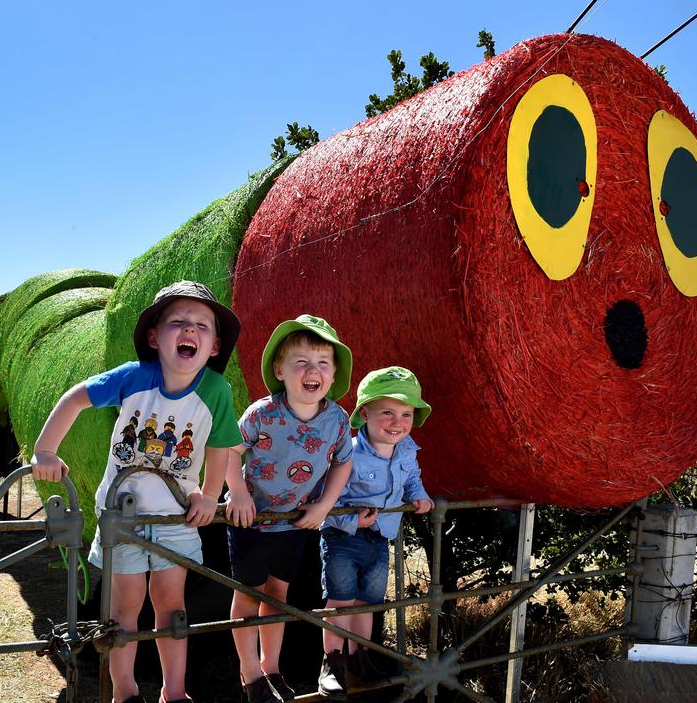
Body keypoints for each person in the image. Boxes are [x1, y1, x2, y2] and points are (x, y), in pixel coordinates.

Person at [32, 280, 243, 703]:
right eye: (178, 322)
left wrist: (208, 493)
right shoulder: (134, 377)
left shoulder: (216, 391)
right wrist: (44, 450)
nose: (190, 331)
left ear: (215, 346)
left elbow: (221, 445)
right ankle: (124, 692)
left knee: (172, 604)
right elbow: (75, 399)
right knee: (123, 608)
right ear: (154, 337)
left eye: (202, 325)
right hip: (121, 515)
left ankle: (175, 691)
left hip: (175, 515)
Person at [225, 315, 355, 703]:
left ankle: (271, 669)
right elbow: (229, 450)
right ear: (279, 371)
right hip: (250, 519)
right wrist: (238, 492)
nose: (312, 371)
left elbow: (343, 462)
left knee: (277, 595)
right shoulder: (261, 413)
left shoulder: (336, 419)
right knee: (248, 594)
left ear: (333, 377)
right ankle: (249, 676)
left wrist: (324, 505)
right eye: (301, 362)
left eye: (323, 363)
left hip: (294, 521)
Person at [318, 366, 434, 698]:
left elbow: (412, 478)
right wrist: (353, 520)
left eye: (406, 414)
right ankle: (332, 664)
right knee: (340, 601)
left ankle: (360, 659)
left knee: (368, 602)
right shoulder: (349, 452)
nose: (398, 422)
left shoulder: (408, 450)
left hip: (381, 536)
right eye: (387, 412)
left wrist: (419, 495)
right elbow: (328, 496)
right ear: (364, 413)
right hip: (343, 537)